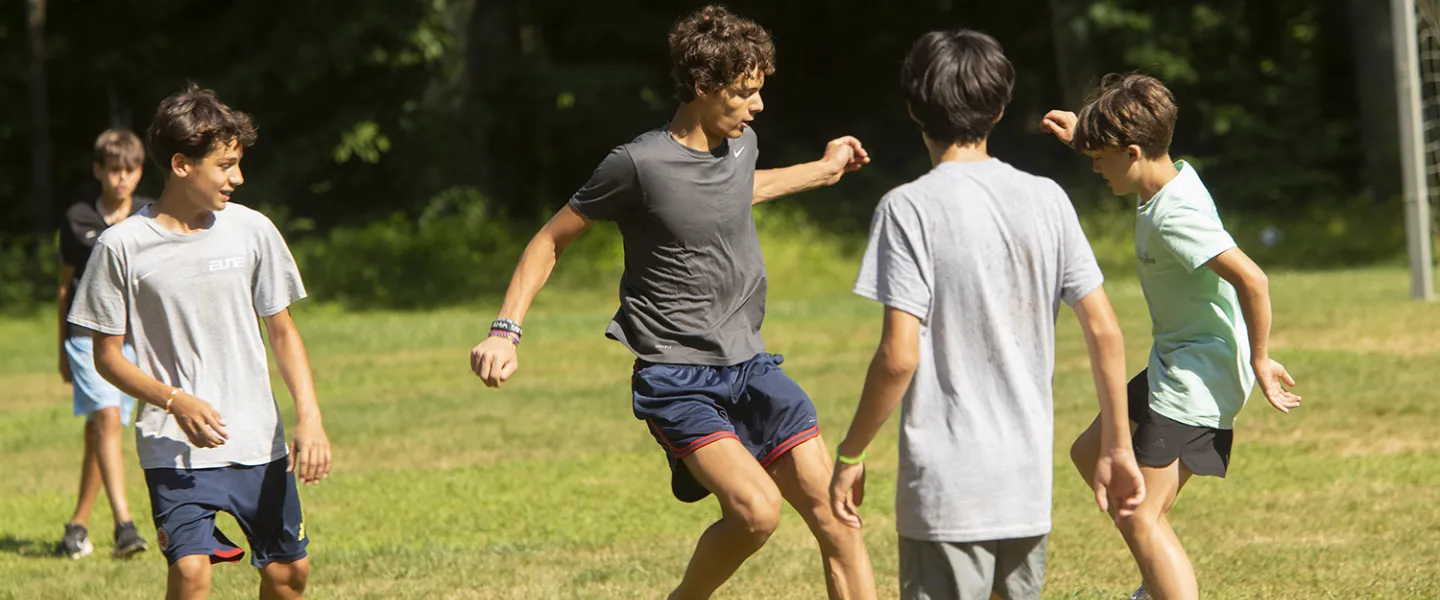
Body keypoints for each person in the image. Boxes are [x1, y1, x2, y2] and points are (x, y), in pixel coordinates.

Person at [469, 5, 877, 599]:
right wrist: (506, 330)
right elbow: (549, 241)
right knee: (757, 513)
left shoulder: (742, 144)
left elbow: (740, 191)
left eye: (759, 90)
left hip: (752, 365)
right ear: (704, 87)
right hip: (677, 376)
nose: (758, 105)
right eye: (744, 93)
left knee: (837, 516)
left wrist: (824, 168)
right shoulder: (636, 164)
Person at [827, 29, 1146, 600]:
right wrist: (1118, 446)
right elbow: (1104, 328)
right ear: (999, 108)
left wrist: (851, 453)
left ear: (912, 107)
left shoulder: (907, 208)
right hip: (1023, 486)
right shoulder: (1047, 198)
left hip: (948, 491)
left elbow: (899, 357)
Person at [1041, 73, 1302, 600]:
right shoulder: (1172, 176)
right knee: (1091, 454)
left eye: (1099, 159)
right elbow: (1129, 162)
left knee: (1139, 514)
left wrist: (1261, 357)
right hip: (1176, 360)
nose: (1094, 169)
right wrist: (1084, 137)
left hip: (1196, 375)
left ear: (1133, 151)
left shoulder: (1175, 214)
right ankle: (1159, 581)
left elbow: (1253, 278)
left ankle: (1163, 588)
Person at [68, 84, 332, 599]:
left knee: (288, 575)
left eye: (238, 162)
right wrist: (174, 400)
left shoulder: (252, 231)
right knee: (191, 572)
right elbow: (106, 356)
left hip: (258, 439)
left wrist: (311, 417)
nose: (238, 177)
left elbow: (282, 330)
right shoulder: (121, 247)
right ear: (182, 165)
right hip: (174, 444)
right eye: (225, 164)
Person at [54, 128, 153, 559]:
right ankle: (125, 527)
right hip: (85, 336)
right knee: (110, 421)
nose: (122, 179)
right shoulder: (77, 217)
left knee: (100, 429)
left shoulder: (149, 216)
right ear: (99, 171)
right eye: (114, 170)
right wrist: (61, 346)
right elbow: (64, 288)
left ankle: (76, 528)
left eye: (130, 170)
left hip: (131, 339)